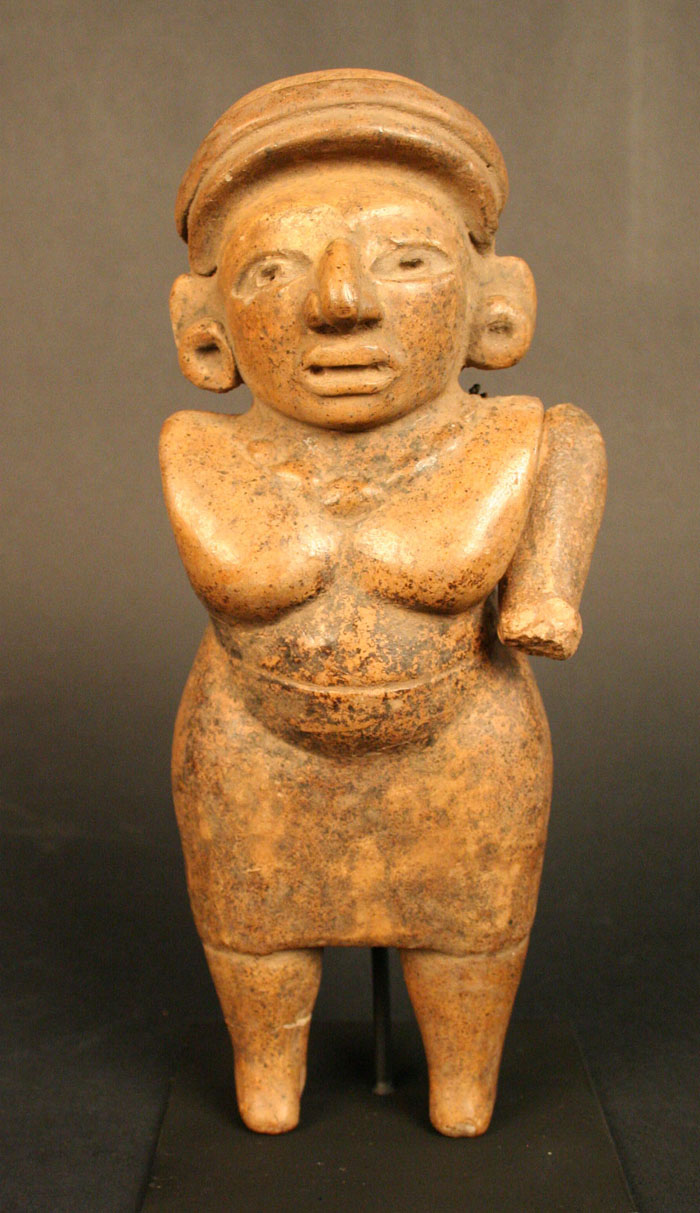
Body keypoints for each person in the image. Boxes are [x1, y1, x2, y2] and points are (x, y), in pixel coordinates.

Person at [161, 69, 606, 1136]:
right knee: (257, 942)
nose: (342, 302)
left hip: (465, 746)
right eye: (274, 268)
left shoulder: (523, 438)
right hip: (254, 754)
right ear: (204, 329)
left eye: (407, 259)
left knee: (468, 942)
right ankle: (268, 1069)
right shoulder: (200, 450)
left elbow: (566, 476)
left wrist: (546, 588)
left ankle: (463, 1078)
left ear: (497, 306)